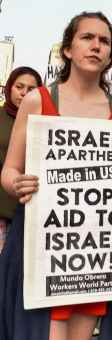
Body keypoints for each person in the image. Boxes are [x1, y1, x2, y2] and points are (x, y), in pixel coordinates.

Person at [0, 12, 112, 340]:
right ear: (67, 50)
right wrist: (18, 184)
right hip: (43, 251)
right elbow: (9, 171)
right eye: (87, 38)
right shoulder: (38, 101)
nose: (96, 46)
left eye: (104, 41)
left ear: (110, 54)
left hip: (96, 256)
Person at [0, 67, 42, 254]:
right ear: (9, 88)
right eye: (19, 86)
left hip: (32, 208)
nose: (25, 93)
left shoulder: (44, 122)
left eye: (32, 89)